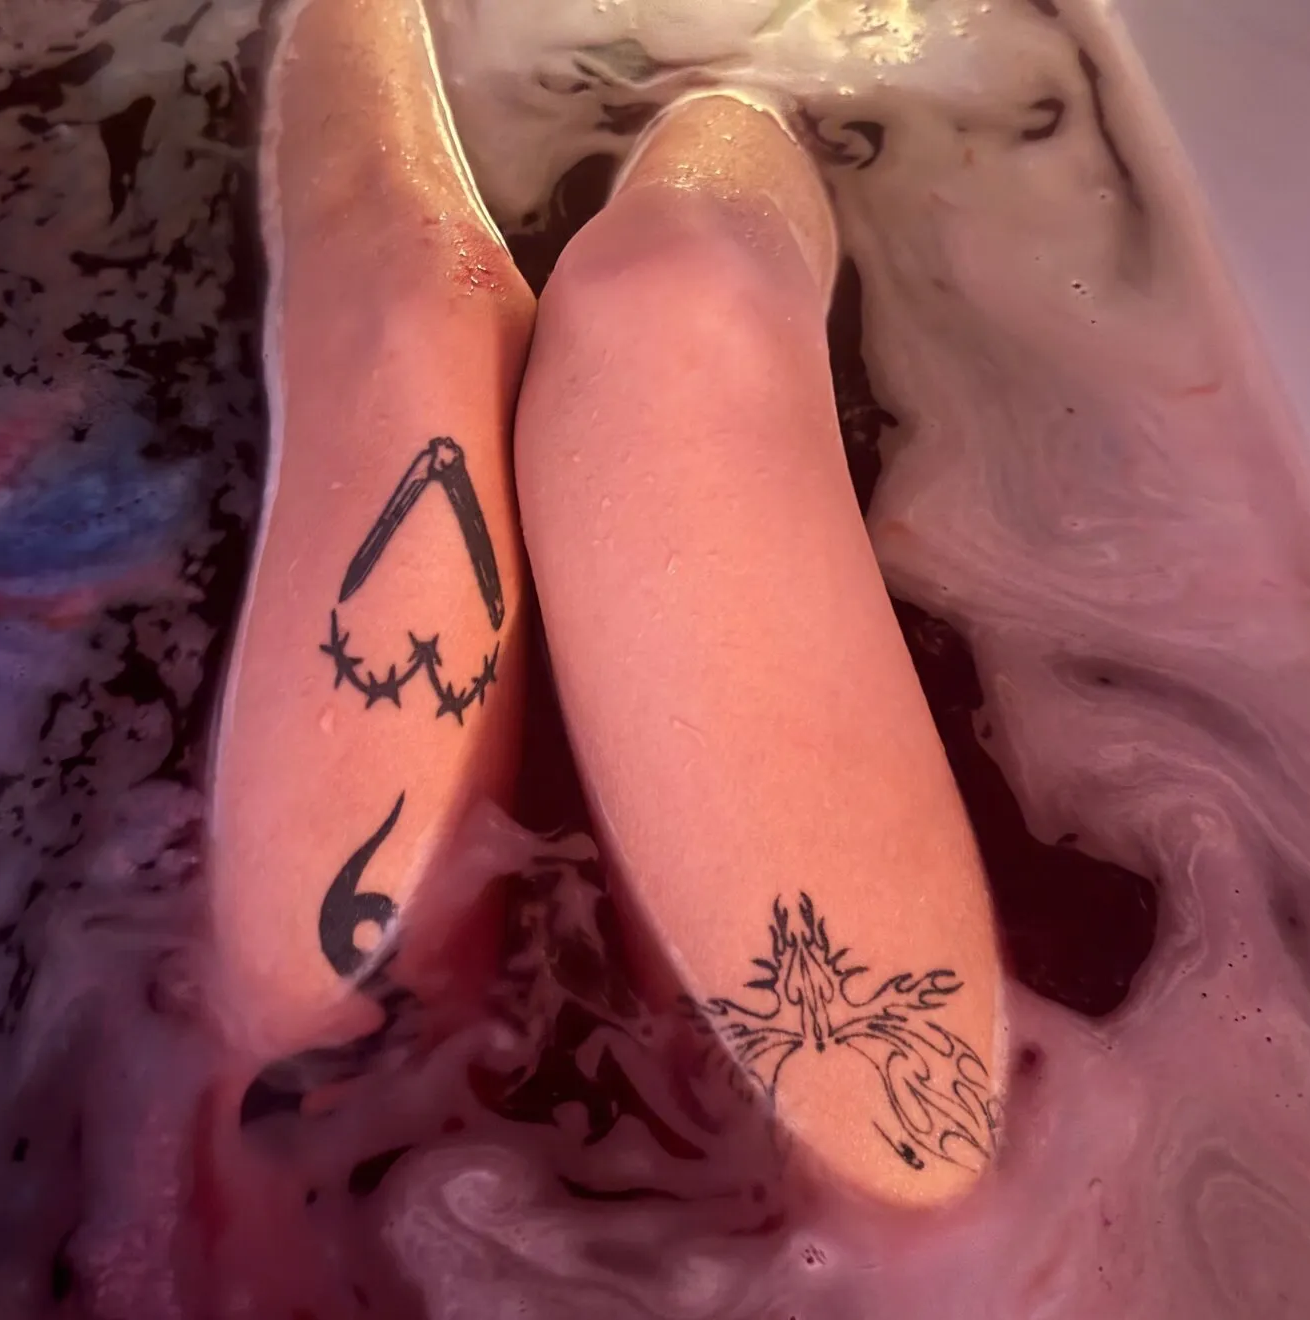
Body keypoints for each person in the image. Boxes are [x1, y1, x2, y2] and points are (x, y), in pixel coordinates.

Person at [211, 0, 1005, 1209]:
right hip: (908, 1223)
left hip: (299, 1176)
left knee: (435, 310)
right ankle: (745, 101)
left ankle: (352, 60)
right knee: (674, 298)